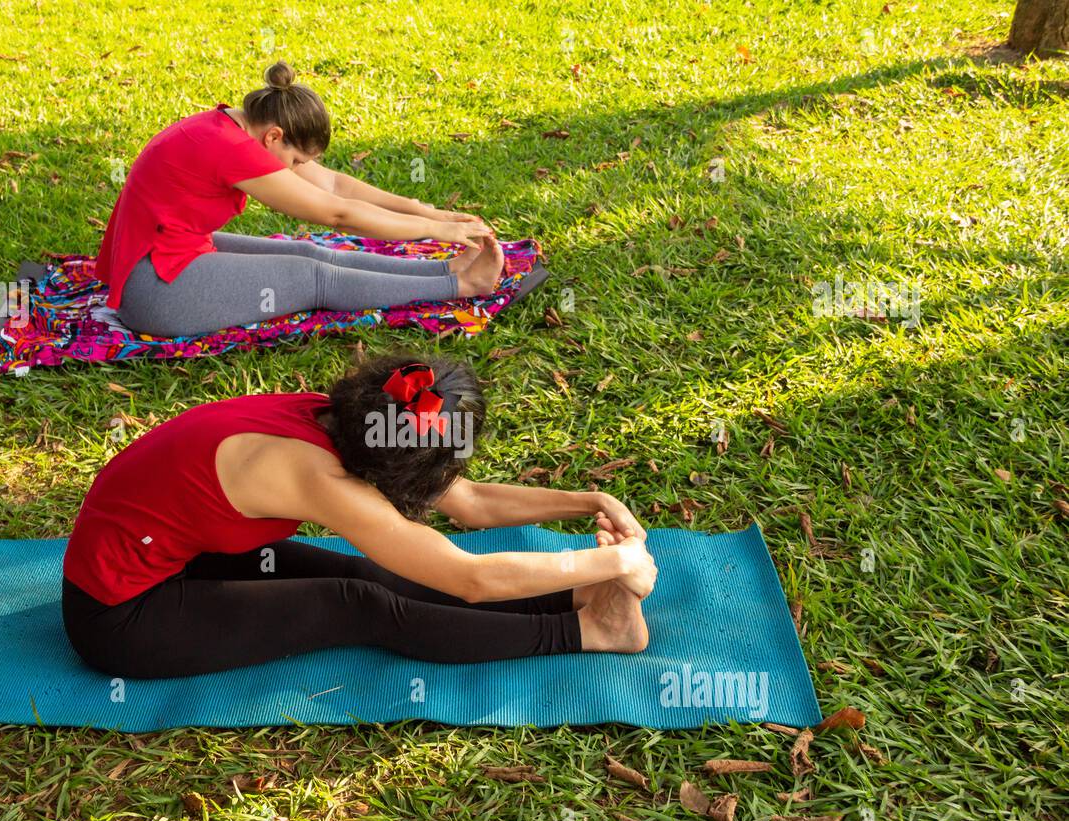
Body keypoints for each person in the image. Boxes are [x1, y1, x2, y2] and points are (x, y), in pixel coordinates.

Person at [61, 352, 659, 678]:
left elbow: (470, 503)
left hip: (184, 556)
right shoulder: (314, 477)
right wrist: (613, 557)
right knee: (358, 604)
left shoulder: (351, 418)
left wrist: (595, 503)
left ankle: (572, 598)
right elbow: (468, 579)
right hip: (121, 615)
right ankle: (588, 630)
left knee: (370, 571)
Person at [95, 60, 504, 338]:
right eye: (294, 160)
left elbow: (336, 187)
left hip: (168, 256)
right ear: (274, 136)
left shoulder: (238, 127)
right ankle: (463, 284)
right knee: (314, 279)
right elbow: (339, 214)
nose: (295, 169)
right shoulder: (231, 148)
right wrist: (437, 229)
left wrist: (423, 211)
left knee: (311, 254)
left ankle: (445, 271)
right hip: (155, 291)